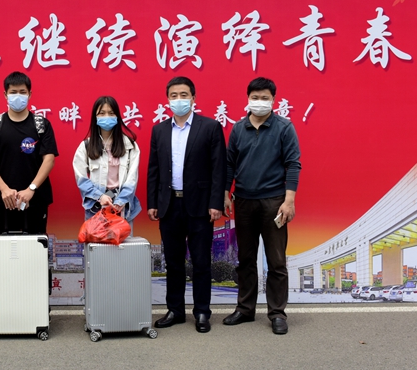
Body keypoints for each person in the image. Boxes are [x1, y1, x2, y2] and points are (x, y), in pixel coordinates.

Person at [147, 76, 226, 333]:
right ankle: (175, 310)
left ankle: (202, 312)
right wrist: (153, 202)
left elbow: (218, 169)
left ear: (193, 98)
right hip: (169, 205)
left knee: (201, 262)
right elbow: (154, 170)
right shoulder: (159, 130)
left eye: (184, 95)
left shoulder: (210, 127)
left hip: (201, 206)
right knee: (173, 262)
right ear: (167, 99)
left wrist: (216, 203)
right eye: (174, 95)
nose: (178, 100)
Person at [223, 77, 301, 335]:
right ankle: (245, 309)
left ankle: (277, 313)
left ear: (273, 100)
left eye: (264, 98)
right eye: (255, 97)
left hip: (274, 202)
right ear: (248, 99)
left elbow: (293, 164)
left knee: (276, 261)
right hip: (244, 201)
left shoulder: (284, 127)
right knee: (245, 259)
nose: (259, 102)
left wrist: (289, 201)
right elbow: (230, 164)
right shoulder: (238, 128)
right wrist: (226, 193)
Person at [0, 71, 58, 234]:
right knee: (6, 247)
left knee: (36, 246)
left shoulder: (41, 124)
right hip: (4, 200)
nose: (18, 96)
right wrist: (4, 189)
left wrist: (31, 189)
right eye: (13, 92)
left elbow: (49, 159)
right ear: (5, 94)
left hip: (36, 198)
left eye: (22, 92)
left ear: (30, 94)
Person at [72, 96, 141, 226]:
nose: (107, 117)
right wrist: (100, 196)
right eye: (102, 113)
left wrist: (121, 200)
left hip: (122, 207)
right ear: (95, 117)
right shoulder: (86, 146)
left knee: (123, 239)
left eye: (111, 113)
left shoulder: (130, 146)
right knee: (95, 239)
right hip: (96, 207)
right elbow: (80, 177)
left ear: (117, 116)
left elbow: (132, 178)